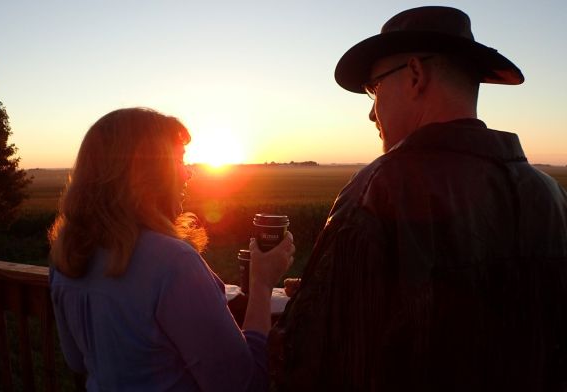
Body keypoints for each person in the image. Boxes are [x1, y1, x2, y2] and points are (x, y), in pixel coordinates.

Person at [269, 6, 567, 391]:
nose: (372, 115)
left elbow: (312, 364)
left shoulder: (378, 191)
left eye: (374, 89)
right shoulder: (553, 197)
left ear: (414, 75)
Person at [48, 107, 295, 391]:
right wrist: (262, 283)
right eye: (179, 160)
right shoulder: (172, 262)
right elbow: (243, 384)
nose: (187, 174)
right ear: (148, 174)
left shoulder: (66, 257)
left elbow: (76, 361)